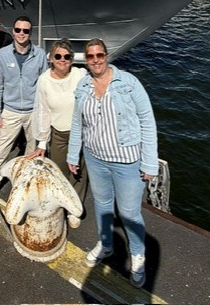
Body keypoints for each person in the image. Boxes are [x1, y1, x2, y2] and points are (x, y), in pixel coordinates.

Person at [67, 38, 158, 289]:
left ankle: (137, 255)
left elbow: (147, 121)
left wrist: (149, 163)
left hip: (127, 161)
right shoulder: (83, 86)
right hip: (95, 158)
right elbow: (77, 123)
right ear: (86, 60)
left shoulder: (128, 83)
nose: (96, 60)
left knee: (129, 212)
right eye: (91, 56)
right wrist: (74, 154)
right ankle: (106, 244)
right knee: (103, 205)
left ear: (106, 56)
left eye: (100, 55)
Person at [0, 15, 47, 207]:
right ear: (13, 32)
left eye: (25, 31)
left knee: (31, 152)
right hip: (10, 111)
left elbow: (45, 86)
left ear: (30, 33)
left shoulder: (40, 55)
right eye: (18, 30)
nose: (21, 33)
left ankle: (24, 183)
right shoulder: (3, 54)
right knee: (0, 152)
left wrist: (44, 115)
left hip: (33, 111)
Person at [28, 39, 88, 218]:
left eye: (67, 56)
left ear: (72, 58)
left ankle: (75, 208)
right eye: (58, 56)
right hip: (59, 134)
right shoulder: (44, 80)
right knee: (59, 172)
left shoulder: (80, 75)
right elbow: (43, 111)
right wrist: (42, 142)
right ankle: (60, 204)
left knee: (78, 173)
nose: (63, 60)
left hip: (80, 133)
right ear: (52, 59)